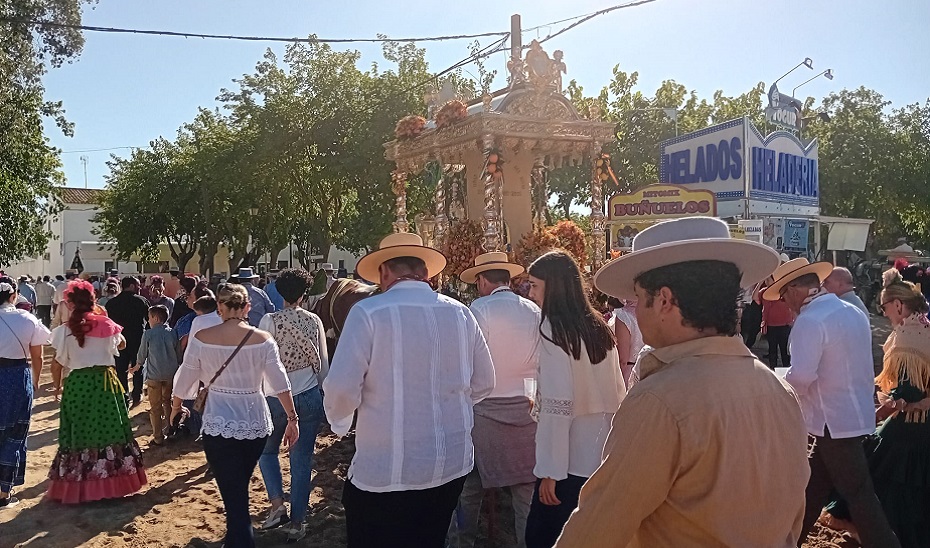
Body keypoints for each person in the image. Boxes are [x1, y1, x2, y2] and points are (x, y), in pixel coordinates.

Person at [557, 217, 809, 547]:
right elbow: (793, 516)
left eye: (637, 298)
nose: (636, 311)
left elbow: (596, 529)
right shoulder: (779, 391)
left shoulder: (660, 400)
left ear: (663, 300)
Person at [323, 233, 495, 548]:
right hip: (450, 463)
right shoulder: (461, 313)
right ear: (426, 273)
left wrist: (340, 422)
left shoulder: (369, 313)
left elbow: (340, 387)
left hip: (386, 468)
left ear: (385, 273)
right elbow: (485, 383)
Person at [762, 258, 902, 548]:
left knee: (858, 494)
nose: (785, 303)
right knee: (813, 490)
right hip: (850, 416)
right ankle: (789, 540)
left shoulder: (809, 321)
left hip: (830, 422)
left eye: (785, 295)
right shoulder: (853, 311)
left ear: (795, 290)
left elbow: (800, 376)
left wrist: (773, 383)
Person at [171, 283, 298, 548]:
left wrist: (176, 407)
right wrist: (292, 418)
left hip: (219, 422)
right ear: (247, 307)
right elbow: (280, 383)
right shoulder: (263, 340)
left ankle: (241, 541)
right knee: (238, 488)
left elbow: (185, 377)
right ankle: (235, 540)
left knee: (234, 494)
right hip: (256, 423)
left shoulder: (203, 338)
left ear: (219, 307)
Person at [522, 251, 625, 548]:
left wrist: (550, 471)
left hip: (568, 458)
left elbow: (558, 405)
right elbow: (618, 392)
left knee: (544, 538)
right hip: (600, 450)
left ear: (553, 287)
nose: (531, 293)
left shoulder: (553, 329)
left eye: (535, 285)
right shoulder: (599, 327)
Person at [823, 269, 930, 547]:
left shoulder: (910, 336)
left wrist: (878, 413)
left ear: (898, 305)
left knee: (874, 470)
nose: (884, 314)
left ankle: (877, 534)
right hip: (921, 423)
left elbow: (909, 389)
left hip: (911, 424)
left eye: (884, 308)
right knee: (909, 489)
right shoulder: (925, 327)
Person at [449, 252, 540, 548]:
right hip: (526, 409)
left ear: (482, 281)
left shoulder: (478, 309)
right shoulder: (533, 310)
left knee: (469, 488)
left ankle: (462, 542)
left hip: (485, 409)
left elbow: (467, 363)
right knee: (525, 492)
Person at [47, 280, 147, 503]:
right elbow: (121, 345)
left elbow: (57, 364)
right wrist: (101, 319)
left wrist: (57, 386)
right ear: (93, 301)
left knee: (79, 433)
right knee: (109, 431)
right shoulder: (106, 324)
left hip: (78, 385)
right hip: (105, 383)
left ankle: (79, 486)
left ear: (71, 304)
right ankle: (112, 482)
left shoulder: (64, 331)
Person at [256, 269, 329, 543]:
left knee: (266, 451)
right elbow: (322, 363)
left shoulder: (269, 320)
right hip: (309, 395)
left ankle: (277, 505)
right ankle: (298, 522)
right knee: (302, 460)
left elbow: (262, 361)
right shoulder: (314, 321)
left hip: (276, 397)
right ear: (303, 293)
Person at [0, 277, 50, 508]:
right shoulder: (28, 319)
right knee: (14, 434)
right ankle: (3, 491)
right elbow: (38, 356)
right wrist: (36, 380)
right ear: (14, 296)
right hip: (18, 378)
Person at [137, 305, 180, 446]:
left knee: (155, 407)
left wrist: (137, 366)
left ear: (155, 318)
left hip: (154, 375)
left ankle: (158, 436)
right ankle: (170, 429)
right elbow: (178, 354)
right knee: (167, 402)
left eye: (149, 318)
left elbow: (142, 354)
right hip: (170, 374)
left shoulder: (148, 334)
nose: (148, 321)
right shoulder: (172, 333)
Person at [105, 276, 151, 407]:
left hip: (118, 341)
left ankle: (123, 394)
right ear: (131, 286)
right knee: (138, 367)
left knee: (121, 369)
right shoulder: (142, 301)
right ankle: (137, 394)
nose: (139, 288)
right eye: (137, 285)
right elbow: (149, 321)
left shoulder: (111, 303)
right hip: (138, 340)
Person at [607, 297, 642, 387]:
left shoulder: (623, 315)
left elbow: (622, 359)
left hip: (630, 373)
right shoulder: (654, 312)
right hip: (651, 371)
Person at [761, 277, 793, 369]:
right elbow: (755, 298)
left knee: (785, 350)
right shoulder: (764, 291)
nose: (766, 281)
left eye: (768, 279)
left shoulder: (783, 291)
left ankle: (786, 370)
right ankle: (772, 370)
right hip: (771, 325)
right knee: (772, 350)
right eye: (765, 279)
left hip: (784, 325)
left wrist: (792, 319)